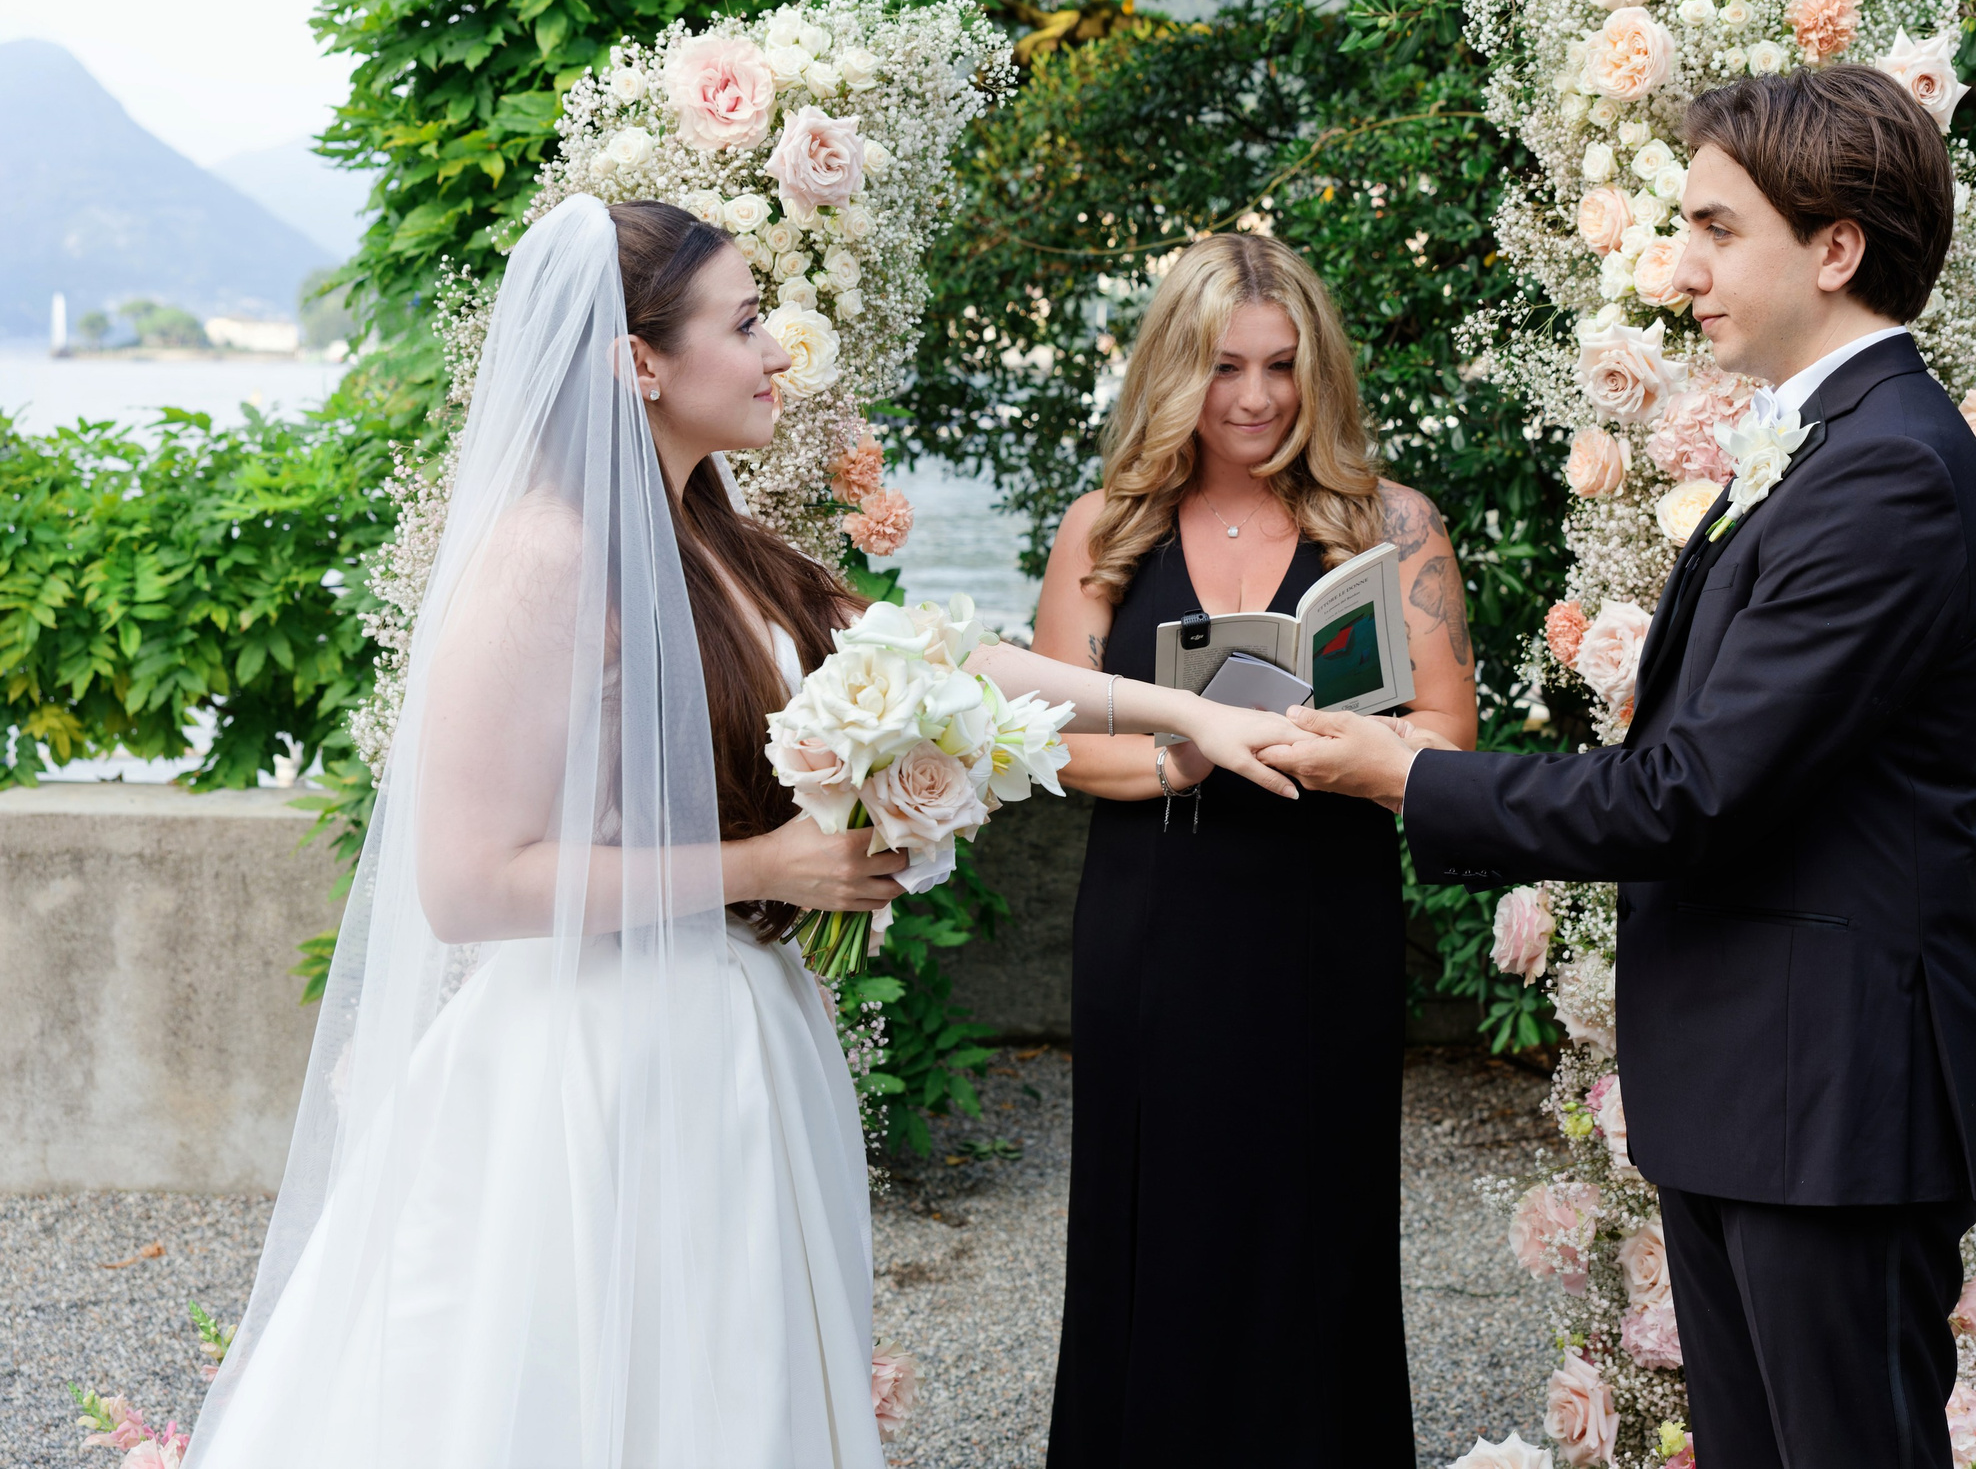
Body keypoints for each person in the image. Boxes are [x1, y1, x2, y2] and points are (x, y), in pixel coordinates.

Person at [189, 196, 1303, 1469]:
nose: (780, 349)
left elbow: (947, 652)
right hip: (592, 1065)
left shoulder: (727, 541)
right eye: (747, 320)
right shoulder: (542, 556)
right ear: (641, 360)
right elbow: (468, 881)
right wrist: (765, 865)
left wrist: (1186, 712)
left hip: (739, 1031)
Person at [1264, 67, 1976, 1467]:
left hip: (1831, 1093)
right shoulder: (1819, 446)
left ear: (1835, 247)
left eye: (1718, 229)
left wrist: (1407, 774)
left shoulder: (1890, 472)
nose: (1682, 270)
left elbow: (1693, 790)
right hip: (1761, 1089)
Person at [1032, 232, 1478, 1464]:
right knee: (1154, 1218)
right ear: (1176, 371)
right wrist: (1192, 746)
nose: (1256, 396)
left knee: (1315, 1217)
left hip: (1319, 913)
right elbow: (1056, 740)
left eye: (1283, 365)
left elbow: (1446, 729)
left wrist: (1340, 745)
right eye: (1224, 365)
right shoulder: (1108, 528)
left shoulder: (1391, 524)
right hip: (1155, 919)